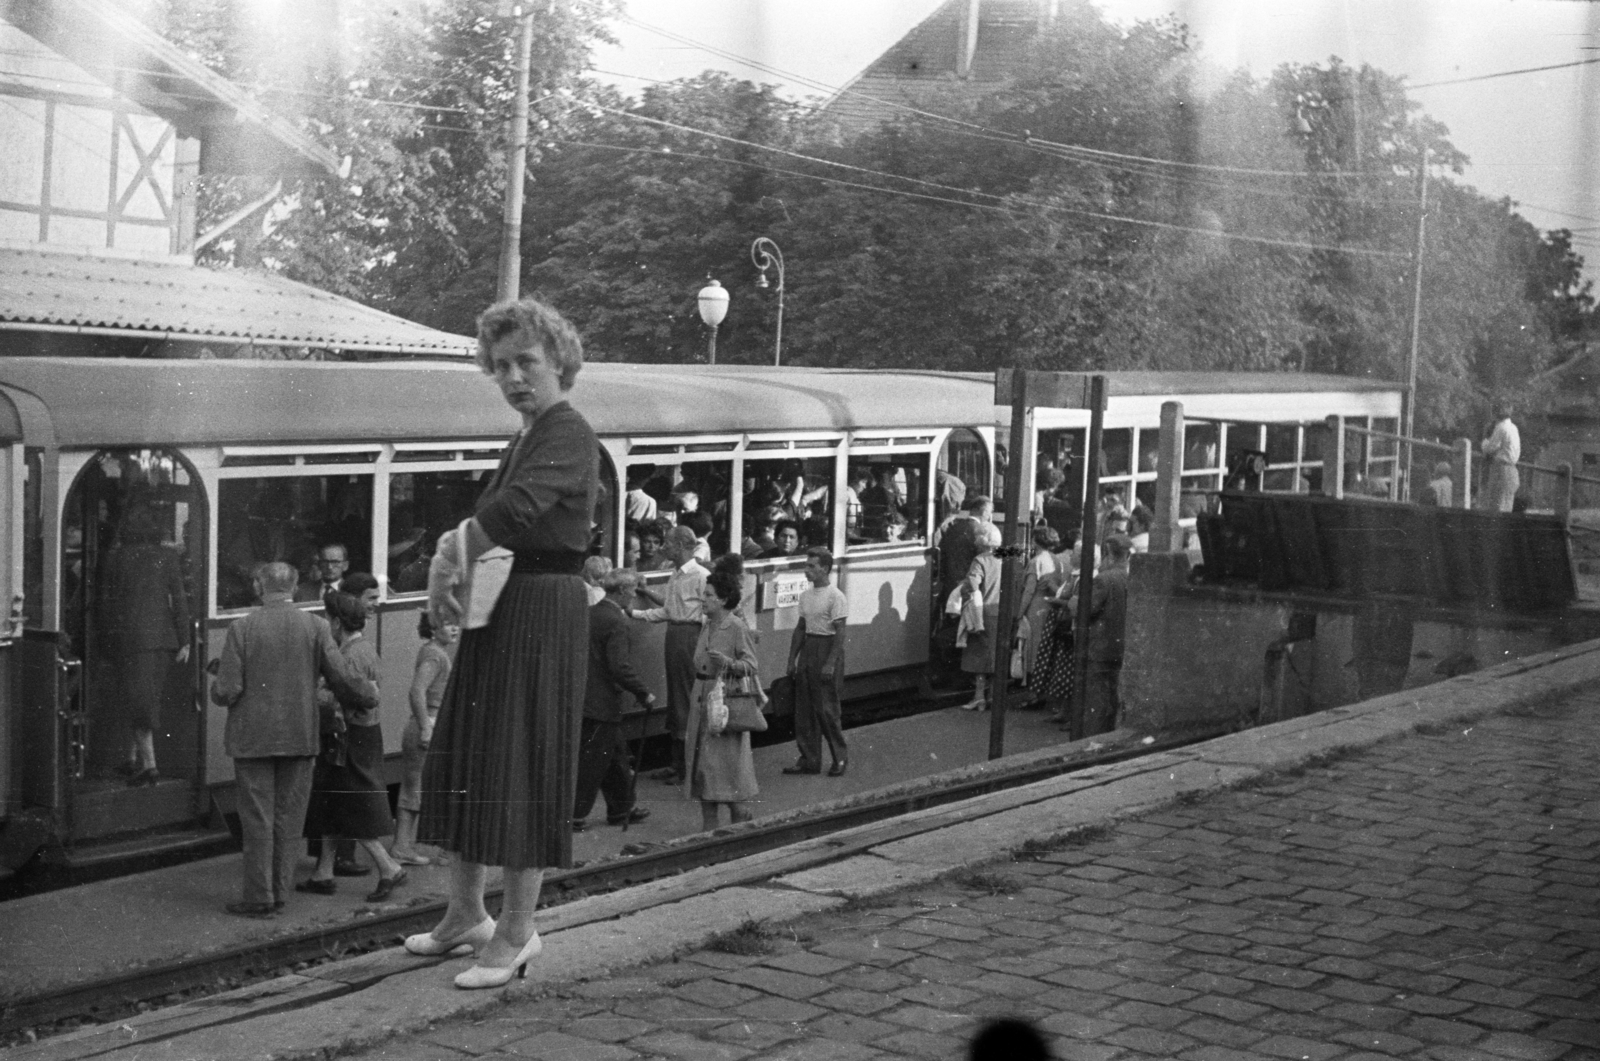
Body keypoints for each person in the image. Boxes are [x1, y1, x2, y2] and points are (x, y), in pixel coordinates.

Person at [410, 296, 599, 989]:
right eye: (501, 365)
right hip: (508, 600)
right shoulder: (530, 436)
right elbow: (500, 520)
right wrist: (458, 565)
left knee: (522, 762)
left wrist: (445, 557)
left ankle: (518, 931)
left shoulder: (567, 431)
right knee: (472, 753)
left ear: (560, 362)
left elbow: (515, 511)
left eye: (527, 362)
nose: (513, 376)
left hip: (541, 606)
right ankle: (466, 912)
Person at [210, 562, 377, 918]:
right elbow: (341, 677)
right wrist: (368, 695)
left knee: (258, 819)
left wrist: (216, 689)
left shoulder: (241, 628)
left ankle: (259, 897)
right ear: (296, 587)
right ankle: (279, 893)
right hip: (300, 735)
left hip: (253, 739)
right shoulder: (316, 626)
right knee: (289, 818)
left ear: (259, 587)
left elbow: (228, 689)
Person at [299, 593, 409, 902]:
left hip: (347, 739)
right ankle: (323, 873)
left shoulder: (348, 656)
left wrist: (313, 693)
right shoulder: (365, 649)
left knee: (350, 807)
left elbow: (342, 703)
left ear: (336, 622)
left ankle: (389, 868)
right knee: (333, 806)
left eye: (327, 618)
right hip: (363, 736)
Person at [98, 503, 191, 786]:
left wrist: (105, 641)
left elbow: (107, 603)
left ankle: (149, 766)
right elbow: (179, 599)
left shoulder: (116, 558)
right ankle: (132, 758)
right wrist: (185, 640)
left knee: (137, 700)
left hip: (131, 640)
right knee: (144, 697)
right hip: (164, 640)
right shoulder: (168, 556)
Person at [574, 569, 656, 831]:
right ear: (621, 591)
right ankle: (575, 814)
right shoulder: (616, 621)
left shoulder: (590, 613)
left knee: (615, 754)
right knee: (594, 760)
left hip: (585, 697)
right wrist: (642, 691)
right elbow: (619, 666)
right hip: (603, 701)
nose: (633, 595)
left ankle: (622, 809)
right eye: (632, 590)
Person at [628, 525, 709, 785]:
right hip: (675, 635)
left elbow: (710, 613)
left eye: (669, 543)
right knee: (677, 698)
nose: (664, 548)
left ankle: (687, 767)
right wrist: (635, 612)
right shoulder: (677, 574)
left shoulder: (701, 576)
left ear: (683, 546)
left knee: (684, 697)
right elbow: (668, 610)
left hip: (688, 637)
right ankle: (677, 764)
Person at [687, 568, 760, 831]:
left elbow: (751, 665)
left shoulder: (736, 626)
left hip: (723, 703)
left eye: (708, 595)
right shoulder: (707, 625)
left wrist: (729, 663)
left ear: (723, 599)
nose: (703, 599)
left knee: (725, 767)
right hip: (701, 698)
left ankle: (739, 819)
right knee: (703, 767)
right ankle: (710, 827)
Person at [391, 610, 456, 867]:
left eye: (455, 623)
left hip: (425, 724)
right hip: (428, 724)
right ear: (433, 629)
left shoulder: (433, 651)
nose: (454, 628)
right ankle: (410, 848)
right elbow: (417, 691)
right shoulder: (435, 655)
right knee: (420, 788)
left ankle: (403, 846)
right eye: (448, 624)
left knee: (415, 787)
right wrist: (426, 728)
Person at [785, 547, 849, 776]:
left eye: (811, 566)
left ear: (825, 568)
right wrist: (792, 659)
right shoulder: (806, 596)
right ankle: (809, 759)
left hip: (827, 647)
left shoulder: (835, 596)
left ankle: (839, 758)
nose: (806, 570)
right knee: (804, 709)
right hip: (809, 648)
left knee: (827, 709)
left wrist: (830, 663)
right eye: (806, 565)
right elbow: (801, 628)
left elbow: (840, 632)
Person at [1071, 533, 1131, 739]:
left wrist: (1073, 602)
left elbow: (1085, 610)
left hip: (1100, 648)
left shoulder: (1103, 580)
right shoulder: (1131, 577)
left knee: (1097, 701)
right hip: (1122, 647)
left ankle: (1092, 741)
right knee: (1114, 700)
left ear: (1108, 555)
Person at [959, 522, 1004, 711]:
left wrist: (962, 588)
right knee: (996, 656)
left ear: (982, 539)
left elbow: (973, 584)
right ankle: (993, 696)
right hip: (1002, 613)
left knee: (979, 657)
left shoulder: (980, 560)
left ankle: (979, 697)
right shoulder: (1007, 557)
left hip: (983, 615)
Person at [1480, 404, 1520, 512]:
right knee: (1506, 507)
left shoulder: (1501, 427)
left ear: (1495, 414)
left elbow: (1489, 448)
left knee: (1496, 507)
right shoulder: (1514, 428)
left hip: (1501, 471)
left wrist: (1484, 441)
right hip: (1512, 470)